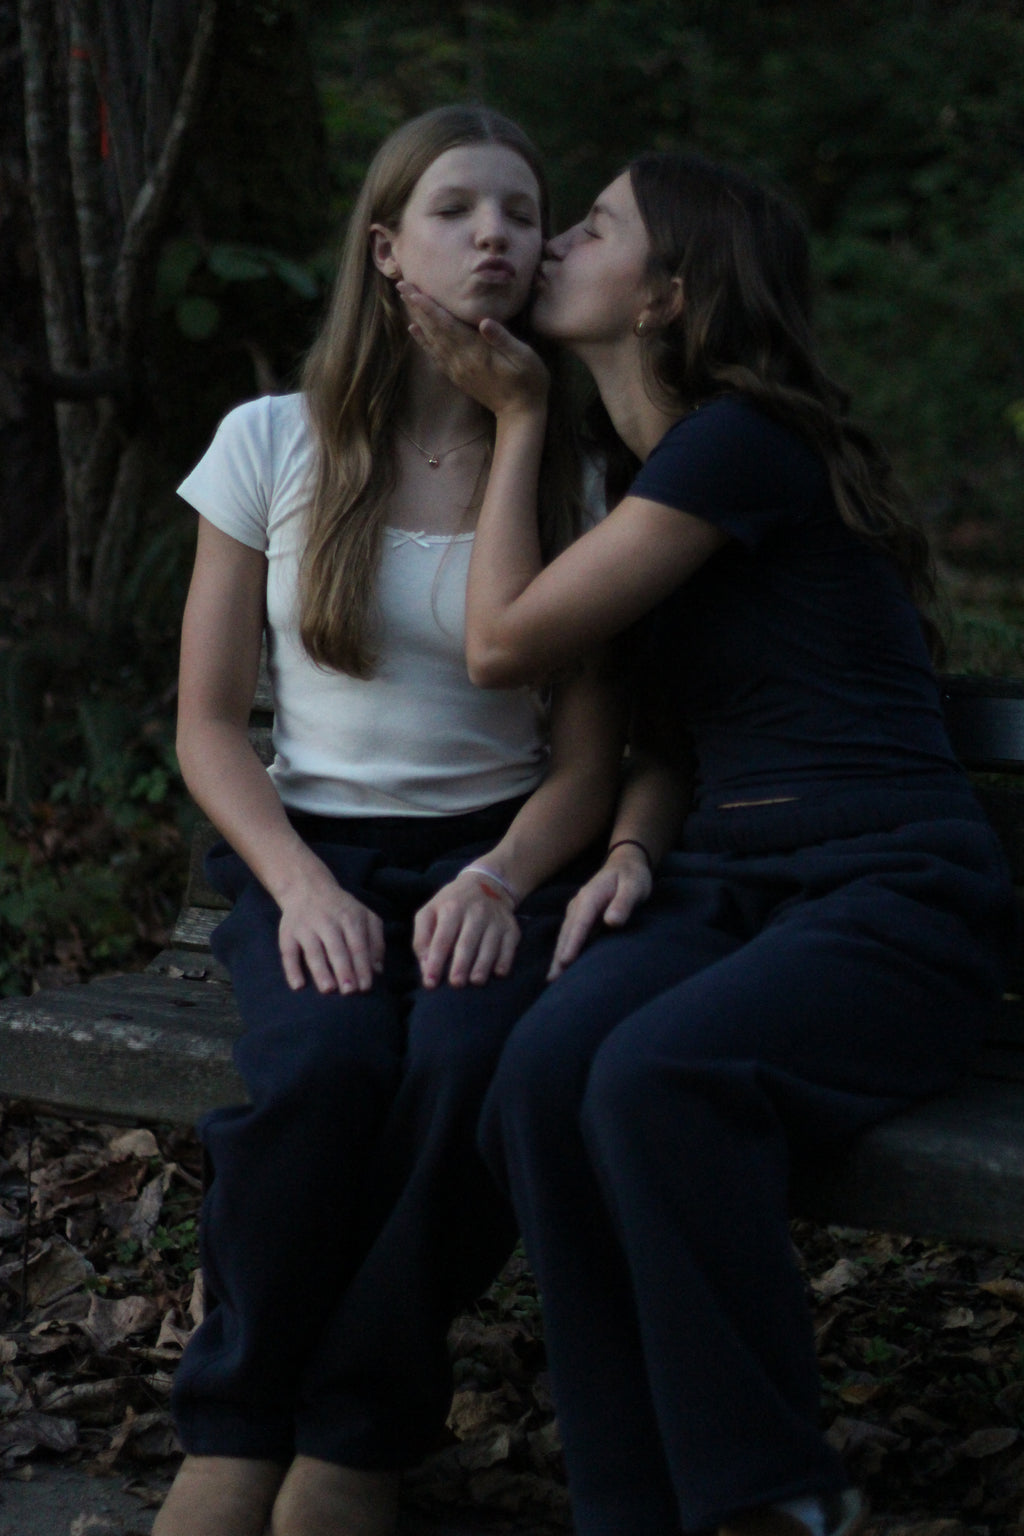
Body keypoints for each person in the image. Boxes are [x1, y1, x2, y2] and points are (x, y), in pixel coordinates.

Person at [400, 149, 1017, 1536]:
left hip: (891, 893)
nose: (551, 238)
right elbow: (678, 740)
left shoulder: (738, 443)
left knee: (656, 1078)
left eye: (595, 225)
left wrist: (511, 422)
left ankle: (771, 1498)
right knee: (540, 1069)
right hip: (730, 882)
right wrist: (627, 849)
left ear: (667, 294)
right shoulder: (650, 474)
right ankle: (632, 1505)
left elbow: (501, 644)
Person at [152, 105, 623, 1536]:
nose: (496, 233)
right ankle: (235, 1426)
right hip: (318, 851)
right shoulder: (272, 441)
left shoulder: (576, 471)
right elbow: (208, 722)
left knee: (467, 1072)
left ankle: (359, 1432)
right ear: (386, 245)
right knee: (316, 1074)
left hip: (504, 859)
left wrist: (497, 876)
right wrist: (296, 886)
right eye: (456, 207)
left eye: (522, 211)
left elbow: (590, 766)